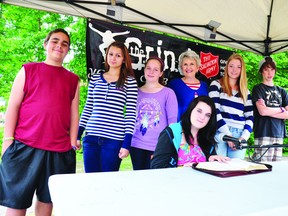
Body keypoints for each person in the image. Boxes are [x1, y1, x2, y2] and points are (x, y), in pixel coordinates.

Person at [0, 28, 80, 216]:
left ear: (68, 50)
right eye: (55, 41)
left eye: (64, 43)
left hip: (59, 150)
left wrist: (72, 144)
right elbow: (13, 106)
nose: (59, 45)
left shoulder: (73, 79)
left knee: (47, 201)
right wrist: (7, 141)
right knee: (16, 202)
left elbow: (74, 114)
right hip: (24, 146)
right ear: (46, 44)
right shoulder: (28, 70)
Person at [77, 41, 138, 172]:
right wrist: (78, 134)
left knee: (108, 182)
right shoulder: (95, 78)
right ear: (106, 55)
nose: (113, 58)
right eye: (110, 54)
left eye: (118, 55)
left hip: (114, 139)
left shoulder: (130, 82)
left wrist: (127, 143)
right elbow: (88, 107)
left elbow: (131, 113)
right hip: (91, 137)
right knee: (91, 181)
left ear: (123, 59)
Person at [151, 96, 230, 168]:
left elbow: (209, 169)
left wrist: (211, 160)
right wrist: (182, 169)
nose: (202, 117)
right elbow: (157, 166)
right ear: (191, 110)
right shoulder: (171, 132)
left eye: (207, 115)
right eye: (199, 111)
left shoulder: (207, 138)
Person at [130, 57, 178, 170]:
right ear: (144, 70)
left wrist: (166, 147)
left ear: (161, 73)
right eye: (148, 68)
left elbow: (172, 124)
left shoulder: (168, 93)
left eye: (156, 69)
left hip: (158, 146)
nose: (151, 72)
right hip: (136, 144)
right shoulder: (135, 92)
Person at [209, 53, 253, 159]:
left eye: (238, 67)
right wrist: (228, 134)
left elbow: (251, 116)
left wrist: (244, 137)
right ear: (227, 67)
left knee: (237, 171)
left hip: (239, 134)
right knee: (218, 167)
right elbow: (214, 110)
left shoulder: (245, 92)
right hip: (220, 132)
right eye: (231, 66)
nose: (234, 70)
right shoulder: (216, 84)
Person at [252, 56, 288, 161]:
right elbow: (262, 111)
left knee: (276, 170)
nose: (269, 73)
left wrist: (268, 110)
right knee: (262, 167)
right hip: (263, 132)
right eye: (266, 70)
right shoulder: (258, 88)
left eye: (272, 69)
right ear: (261, 71)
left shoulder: (282, 91)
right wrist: (281, 109)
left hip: (279, 133)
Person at [168, 50, 208, 120]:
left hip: (200, 127)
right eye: (185, 64)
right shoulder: (174, 84)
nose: (188, 67)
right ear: (181, 67)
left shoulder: (205, 86)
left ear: (197, 67)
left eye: (192, 64)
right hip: (180, 127)